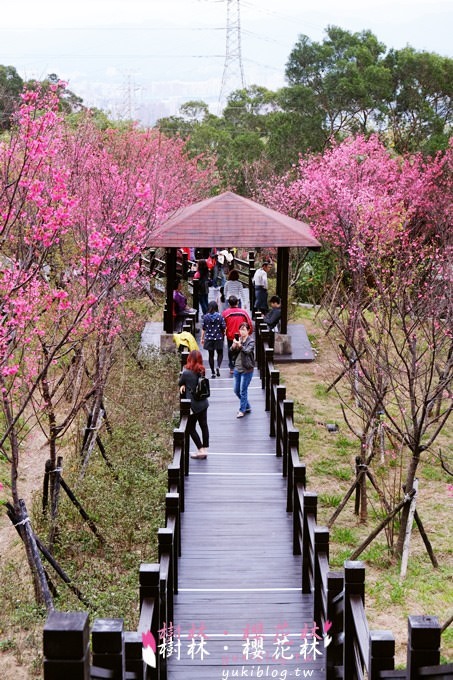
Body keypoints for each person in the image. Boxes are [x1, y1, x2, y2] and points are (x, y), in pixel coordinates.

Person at [178, 350, 209, 459]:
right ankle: (205, 449)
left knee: (191, 428)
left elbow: (180, 382)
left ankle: (200, 449)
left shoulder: (186, 373)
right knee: (204, 425)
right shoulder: (202, 370)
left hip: (193, 405)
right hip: (203, 402)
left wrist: (183, 386)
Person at [222, 296, 254, 375]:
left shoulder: (225, 313)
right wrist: (249, 333)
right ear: (238, 302)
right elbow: (249, 324)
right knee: (241, 349)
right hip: (242, 335)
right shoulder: (243, 312)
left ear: (229, 303)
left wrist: (223, 334)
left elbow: (222, 325)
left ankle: (232, 367)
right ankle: (241, 366)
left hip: (230, 335)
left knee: (231, 350)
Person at [231, 322, 255, 418]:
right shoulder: (239, 339)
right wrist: (234, 345)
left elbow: (247, 351)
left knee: (243, 390)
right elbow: (231, 351)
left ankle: (242, 410)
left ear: (248, 330)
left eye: (244, 329)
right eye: (240, 329)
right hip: (237, 367)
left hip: (247, 369)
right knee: (236, 390)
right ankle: (247, 406)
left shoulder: (251, 341)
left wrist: (240, 345)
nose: (242, 332)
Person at [201, 301, 226, 378]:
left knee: (210, 355)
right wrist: (224, 334)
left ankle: (212, 372)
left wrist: (202, 338)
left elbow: (203, 328)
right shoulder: (220, 316)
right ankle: (218, 366)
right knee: (220, 353)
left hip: (209, 338)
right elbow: (223, 327)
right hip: (218, 337)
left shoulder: (205, 317)